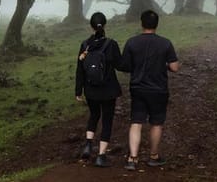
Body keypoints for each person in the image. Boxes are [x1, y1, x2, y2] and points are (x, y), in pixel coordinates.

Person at [118, 9, 180, 170]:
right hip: (159, 89)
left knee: (136, 122)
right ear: (157, 24)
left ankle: (133, 158)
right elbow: (174, 67)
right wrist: (164, 64)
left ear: (141, 23)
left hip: (138, 88)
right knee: (157, 123)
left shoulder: (132, 42)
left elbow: (124, 65)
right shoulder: (165, 43)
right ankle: (153, 156)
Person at [74, 11, 122, 167]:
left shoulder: (84, 45)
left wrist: (78, 91)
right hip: (109, 89)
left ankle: (88, 144)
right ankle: (101, 156)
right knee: (107, 120)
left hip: (91, 89)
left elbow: (80, 69)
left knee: (94, 115)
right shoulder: (112, 44)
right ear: (105, 25)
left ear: (91, 27)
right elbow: (120, 65)